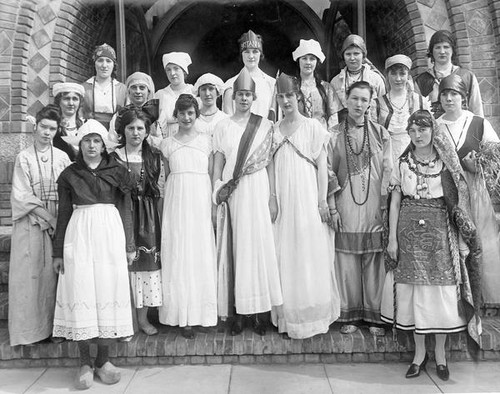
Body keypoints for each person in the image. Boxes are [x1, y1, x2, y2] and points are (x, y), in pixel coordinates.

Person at [381, 109, 482, 381]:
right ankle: (418, 355)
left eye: (422, 129)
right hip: (408, 230)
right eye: (412, 131)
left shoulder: (446, 163)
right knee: (413, 292)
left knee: (441, 292)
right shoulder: (404, 163)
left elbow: (458, 199)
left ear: (432, 130)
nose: (417, 135)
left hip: (440, 232)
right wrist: (392, 238)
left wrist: (461, 235)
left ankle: (440, 356)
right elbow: (395, 201)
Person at [52, 119, 135, 389]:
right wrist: (58, 252)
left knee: (107, 291)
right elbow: (63, 213)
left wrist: (130, 244)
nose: (91, 145)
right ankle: (85, 363)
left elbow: (126, 209)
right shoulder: (69, 174)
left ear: (103, 145)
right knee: (82, 291)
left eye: (96, 140)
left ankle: (104, 361)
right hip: (80, 235)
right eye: (86, 140)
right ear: (80, 145)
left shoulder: (117, 171)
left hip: (110, 235)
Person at [213, 68, 283, 335]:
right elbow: (218, 161)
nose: (244, 99)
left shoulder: (265, 125)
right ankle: (239, 313)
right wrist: (217, 190)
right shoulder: (222, 126)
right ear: (233, 97)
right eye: (240, 94)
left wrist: (273, 197)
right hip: (234, 192)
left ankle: (258, 313)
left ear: (254, 97)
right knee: (237, 248)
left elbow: (271, 164)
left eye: (248, 95)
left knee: (258, 248)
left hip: (258, 188)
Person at [270, 73, 340, 339]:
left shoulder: (312, 126)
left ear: (298, 97)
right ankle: (290, 316)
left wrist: (322, 200)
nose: (286, 101)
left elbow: (322, 167)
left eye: (290, 96)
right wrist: (273, 197)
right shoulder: (274, 130)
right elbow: (272, 167)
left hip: (308, 196)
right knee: (285, 251)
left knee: (310, 251)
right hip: (284, 199)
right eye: (281, 97)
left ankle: (313, 315)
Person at [327, 81, 393, 336]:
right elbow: (329, 174)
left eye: (364, 100)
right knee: (346, 260)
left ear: (370, 102)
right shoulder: (332, 134)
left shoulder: (381, 133)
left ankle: (375, 316)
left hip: (374, 205)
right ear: (345, 99)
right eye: (354, 98)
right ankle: (350, 314)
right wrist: (333, 208)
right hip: (345, 204)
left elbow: (389, 171)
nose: (358, 104)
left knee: (375, 260)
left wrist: (386, 206)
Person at [436, 74, 500, 308]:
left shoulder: (478, 123)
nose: (449, 98)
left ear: (463, 97)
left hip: (474, 191)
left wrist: (478, 164)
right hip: (448, 192)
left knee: (480, 241)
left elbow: (495, 157)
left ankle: (485, 298)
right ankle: (456, 300)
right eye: (444, 94)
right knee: (452, 243)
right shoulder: (436, 125)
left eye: (454, 94)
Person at [9, 105, 71, 346]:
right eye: (43, 127)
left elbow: (68, 191)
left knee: (54, 277)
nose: (47, 132)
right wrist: (49, 218)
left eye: (52, 128)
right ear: (35, 127)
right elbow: (22, 195)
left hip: (57, 219)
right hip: (32, 222)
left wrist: (60, 219)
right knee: (32, 276)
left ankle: (57, 329)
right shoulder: (23, 157)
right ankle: (31, 332)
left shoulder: (63, 157)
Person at [159, 94, 217, 338]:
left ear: (197, 114)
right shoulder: (167, 144)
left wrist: (213, 205)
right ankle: (182, 316)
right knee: (179, 253)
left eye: (190, 113)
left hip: (200, 201)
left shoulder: (207, 141)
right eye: (181, 113)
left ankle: (202, 314)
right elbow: (166, 176)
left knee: (200, 252)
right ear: (176, 115)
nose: (186, 117)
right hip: (176, 202)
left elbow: (214, 176)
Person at [112, 107, 163, 336]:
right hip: (120, 213)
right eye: (130, 128)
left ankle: (142, 319)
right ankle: (124, 319)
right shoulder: (113, 156)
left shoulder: (153, 156)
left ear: (146, 131)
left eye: (140, 128)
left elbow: (159, 189)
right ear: (123, 130)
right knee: (121, 267)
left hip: (147, 215)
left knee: (144, 267)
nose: (135, 132)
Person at [415, 30, 483, 118]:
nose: (442, 51)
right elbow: (418, 114)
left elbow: (477, 110)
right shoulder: (422, 80)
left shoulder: (467, 76)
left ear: (452, 50)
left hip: (462, 129)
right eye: (437, 47)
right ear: (431, 51)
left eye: (446, 47)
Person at [374, 55, 429, 163]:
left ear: (408, 76)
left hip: (416, 156)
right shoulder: (377, 104)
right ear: (387, 75)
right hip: (388, 157)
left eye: (402, 73)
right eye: (393, 73)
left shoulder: (420, 101)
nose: (398, 78)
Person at [330, 34, 386, 127]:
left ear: (363, 55)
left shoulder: (375, 79)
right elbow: (334, 113)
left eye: (356, 53)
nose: (352, 58)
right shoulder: (335, 82)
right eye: (348, 54)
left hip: (371, 129)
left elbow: (384, 110)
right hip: (345, 131)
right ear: (343, 56)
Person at [222, 30, 277, 120]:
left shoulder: (271, 83)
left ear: (260, 54)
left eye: (255, 51)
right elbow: (228, 120)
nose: (251, 56)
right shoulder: (230, 84)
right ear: (241, 54)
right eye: (246, 52)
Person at [109, 72, 161, 147]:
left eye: (142, 88)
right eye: (134, 88)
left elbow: (161, 142)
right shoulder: (120, 115)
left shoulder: (156, 114)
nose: (138, 91)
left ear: (148, 91)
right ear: (128, 91)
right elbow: (112, 141)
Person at [81, 43, 127, 129]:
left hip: (114, 131)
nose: (104, 65)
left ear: (113, 65)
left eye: (108, 61)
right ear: (95, 63)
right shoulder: (84, 88)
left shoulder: (122, 89)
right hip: (90, 131)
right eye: (100, 60)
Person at [292, 39, 335, 130]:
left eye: (312, 59)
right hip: (297, 137)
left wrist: (330, 139)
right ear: (298, 60)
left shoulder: (326, 88)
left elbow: (333, 118)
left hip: (321, 137)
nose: (308, 62)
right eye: (304, 58)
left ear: (317, 62)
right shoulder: (291, 86)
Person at [155, 52, 194, 137]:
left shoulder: (193, 91)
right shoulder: (160, 95)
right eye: (168, 69)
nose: (172, 73)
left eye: (176, 68)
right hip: (167, 137)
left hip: (190, 136)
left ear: (184, 71)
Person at [52, 82, 86, 161]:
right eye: (66, 98)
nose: (71, 103)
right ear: (59, 101)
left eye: (75, 99)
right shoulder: (54, 126)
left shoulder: (85, 125)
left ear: (80, 102)